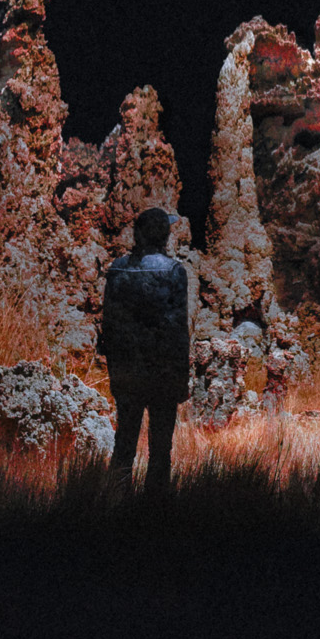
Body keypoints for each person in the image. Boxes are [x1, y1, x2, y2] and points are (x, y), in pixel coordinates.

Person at [101, 206, 196, 491]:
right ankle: (155, 510)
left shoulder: (117, 269)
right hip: (162, 375)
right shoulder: (174, 271)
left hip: (128, 373)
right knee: (160, 449)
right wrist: (181, 378)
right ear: (164, 235)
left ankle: (116, 505)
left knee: (124, 444)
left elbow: (109, 327)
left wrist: (115, 373)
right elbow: (177, 330)